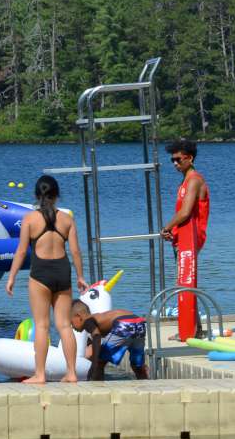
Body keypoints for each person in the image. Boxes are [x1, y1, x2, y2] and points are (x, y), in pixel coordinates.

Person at [6, 175, 87, 384]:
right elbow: (76, 251)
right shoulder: (67, 219)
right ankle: (71, 373)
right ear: (57, 195)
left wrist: (12, 277)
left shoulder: (30, 219)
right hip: (62, 272)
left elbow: (22, 251)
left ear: (36, 195)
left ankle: (40, 375)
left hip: (40, 274)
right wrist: (80, 276)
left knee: (42, 326)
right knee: (64, 326)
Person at [160, 139, 210, 342]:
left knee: (185, 283)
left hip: (192, 238)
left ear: (189, 158)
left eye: (178, 159)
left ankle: (189, 330)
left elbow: (186, 211)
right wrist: (173, 230)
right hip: (183, 238)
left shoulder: (194, 180)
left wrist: (167, 227)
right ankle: (193, 328)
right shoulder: (185, 179)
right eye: (172, 160)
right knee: (184, 282)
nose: (174, 163)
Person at [69, 301, 150, 380]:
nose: (72, 326)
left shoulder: (87, 321)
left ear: (78, 316)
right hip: (139, 322)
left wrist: (94, 364)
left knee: (99, 363)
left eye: (71, 322)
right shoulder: (98, 318)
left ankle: (97, 388)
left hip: (124, 324)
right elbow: (97, 339)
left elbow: (97, 336)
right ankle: (144, 384)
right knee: (137, 365)